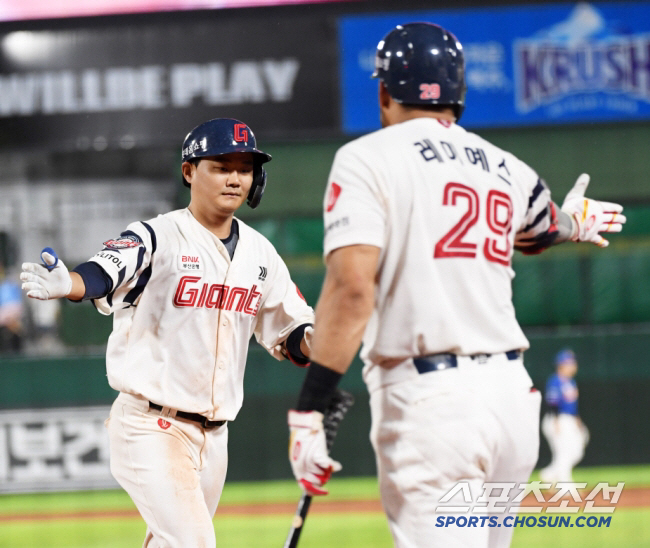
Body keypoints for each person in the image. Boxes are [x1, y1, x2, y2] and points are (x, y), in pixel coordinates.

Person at [286, 22, 625, 548]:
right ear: (458, 93)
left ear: (383, 91)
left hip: (432, 405)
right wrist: (575, 224)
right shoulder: (507, 167)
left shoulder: (367, 158)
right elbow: (545, 226)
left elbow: (353, 290)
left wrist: (310, 406)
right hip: (511, 401)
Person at [20, 118, 315, 548]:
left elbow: (291, 334)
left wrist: (319, 339)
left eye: (245, 167)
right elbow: (105, 271)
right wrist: (72, 285)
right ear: (190, 171)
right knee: (195, 543)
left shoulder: (261, 254)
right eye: (221, 165)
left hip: (215, 437)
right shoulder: (158, 235)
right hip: (151, 425)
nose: (235, 177)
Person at [540, 349, 589, 484]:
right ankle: (565, 485)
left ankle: (548, 474)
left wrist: (577, 421)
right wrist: (556, 422)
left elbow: (573, 406)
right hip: (557, 419)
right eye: (571, 363)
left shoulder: (570, 382)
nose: (574, 366)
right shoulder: (555, 381)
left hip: (570, 419)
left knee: (577, 451)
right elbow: (552, 402)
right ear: (561, 364)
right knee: (563, 454)